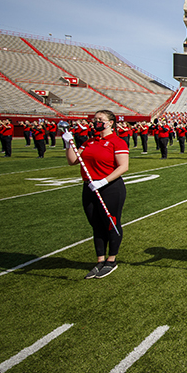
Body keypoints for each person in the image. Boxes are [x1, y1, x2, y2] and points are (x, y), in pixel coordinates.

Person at [62, 110, 129, 279]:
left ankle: (111, 259)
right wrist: (69, 144)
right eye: (95, 119)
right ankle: (100, 260)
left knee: (111, 223)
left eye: (100, 119)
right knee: (96, 223)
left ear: (111, 122)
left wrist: (103, 181)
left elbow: (123, 166)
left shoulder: (117, 141)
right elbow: (72, 161)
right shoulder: (90, 141)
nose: (96, 122)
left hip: (110, 187)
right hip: (90, 187)